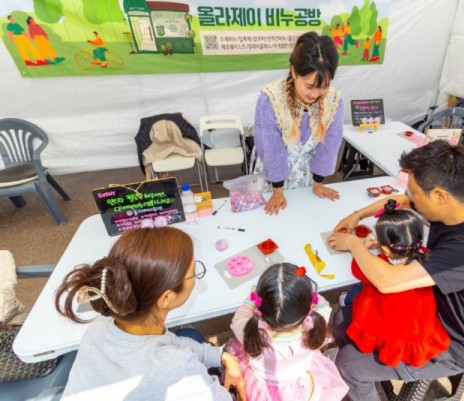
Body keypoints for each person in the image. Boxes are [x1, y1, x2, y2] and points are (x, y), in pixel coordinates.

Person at [327, 140, 464, 401]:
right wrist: (357, 216)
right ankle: (371, 365)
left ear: (439, 196)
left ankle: (362, 379)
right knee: (344, 322)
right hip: (424, 310)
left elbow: (388, 281)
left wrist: (354, 243)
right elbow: (399, 202)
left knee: (347, 365)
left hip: (451, 341)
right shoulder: (458, 206)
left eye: (414, 193)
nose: (409, 198)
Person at [54, 227, 246, 401]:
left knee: (190, 336)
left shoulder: (102, 323)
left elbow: (169, 341)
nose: (195, 278)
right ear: (166, 298)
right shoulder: (177, 368)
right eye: (193, 272)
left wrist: (223, 356)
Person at [338, 199, 450, 369]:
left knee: (359, 296)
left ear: (387, 249)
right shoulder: (426, 256)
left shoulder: (382, 263)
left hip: (389, 333)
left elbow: (358, 269)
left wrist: (363, 249)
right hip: (418, 330)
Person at [252, 31, 343, 215]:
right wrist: (277, 191)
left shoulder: (334, 100)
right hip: (273, 171)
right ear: (294, 71)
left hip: (307, 172)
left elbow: (330, 144)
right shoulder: (271, 99)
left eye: (323, 87)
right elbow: (271, 148)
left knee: (304, 214)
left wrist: (318, 183)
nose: (315, 94)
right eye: (309, 86)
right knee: (273, 219)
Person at [227, 263, 348, 401]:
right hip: (300, 381)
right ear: (308, 304)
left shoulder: (251, 332)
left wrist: (253, 297)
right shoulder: (314, 323)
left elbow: (238, 319)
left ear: (260, 305)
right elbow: (323, 304)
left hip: (263, 389)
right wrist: (304, 294)